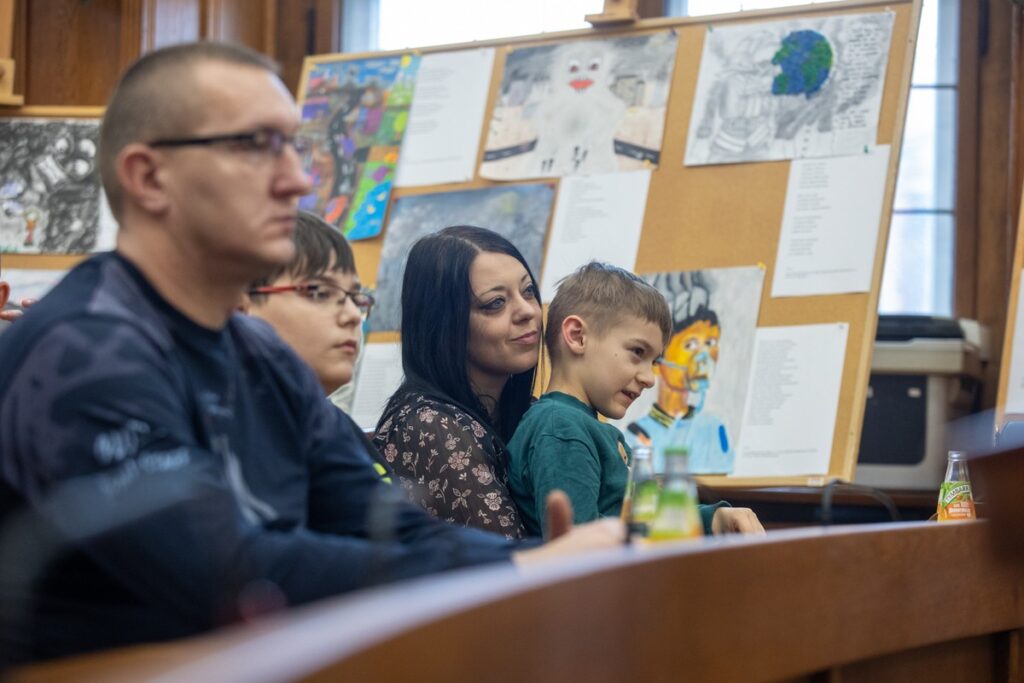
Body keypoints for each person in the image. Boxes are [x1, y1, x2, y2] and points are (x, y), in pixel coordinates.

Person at [0, 42, 621, 664]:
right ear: (149, 177)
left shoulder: (259, 355)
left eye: (294, 147)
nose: (298, 179)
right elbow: (228, 573)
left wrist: (536, 561)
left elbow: (383, 524)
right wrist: (519, 570)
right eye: (256, 145)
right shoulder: (83, 352)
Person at [508, 262, 762, 536]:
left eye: (654, 361)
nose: (649, 378)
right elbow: (577, 552)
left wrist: (714, 517)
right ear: (577, 336)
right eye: (638, 352)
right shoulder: (560, 428)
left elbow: (649, 519)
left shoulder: (589, 428)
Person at [373, 226, 541, 539]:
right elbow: (511, 571)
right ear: (445, 324)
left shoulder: (524, 411)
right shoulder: (429, 425)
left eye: (528, 291)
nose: (527, 311)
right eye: (495, 303)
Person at [243, 209, 371, 396]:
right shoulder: (198, 420)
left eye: (356, 299)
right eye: (320, 293)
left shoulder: (335, 424)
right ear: (240, 307)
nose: (353, 316)